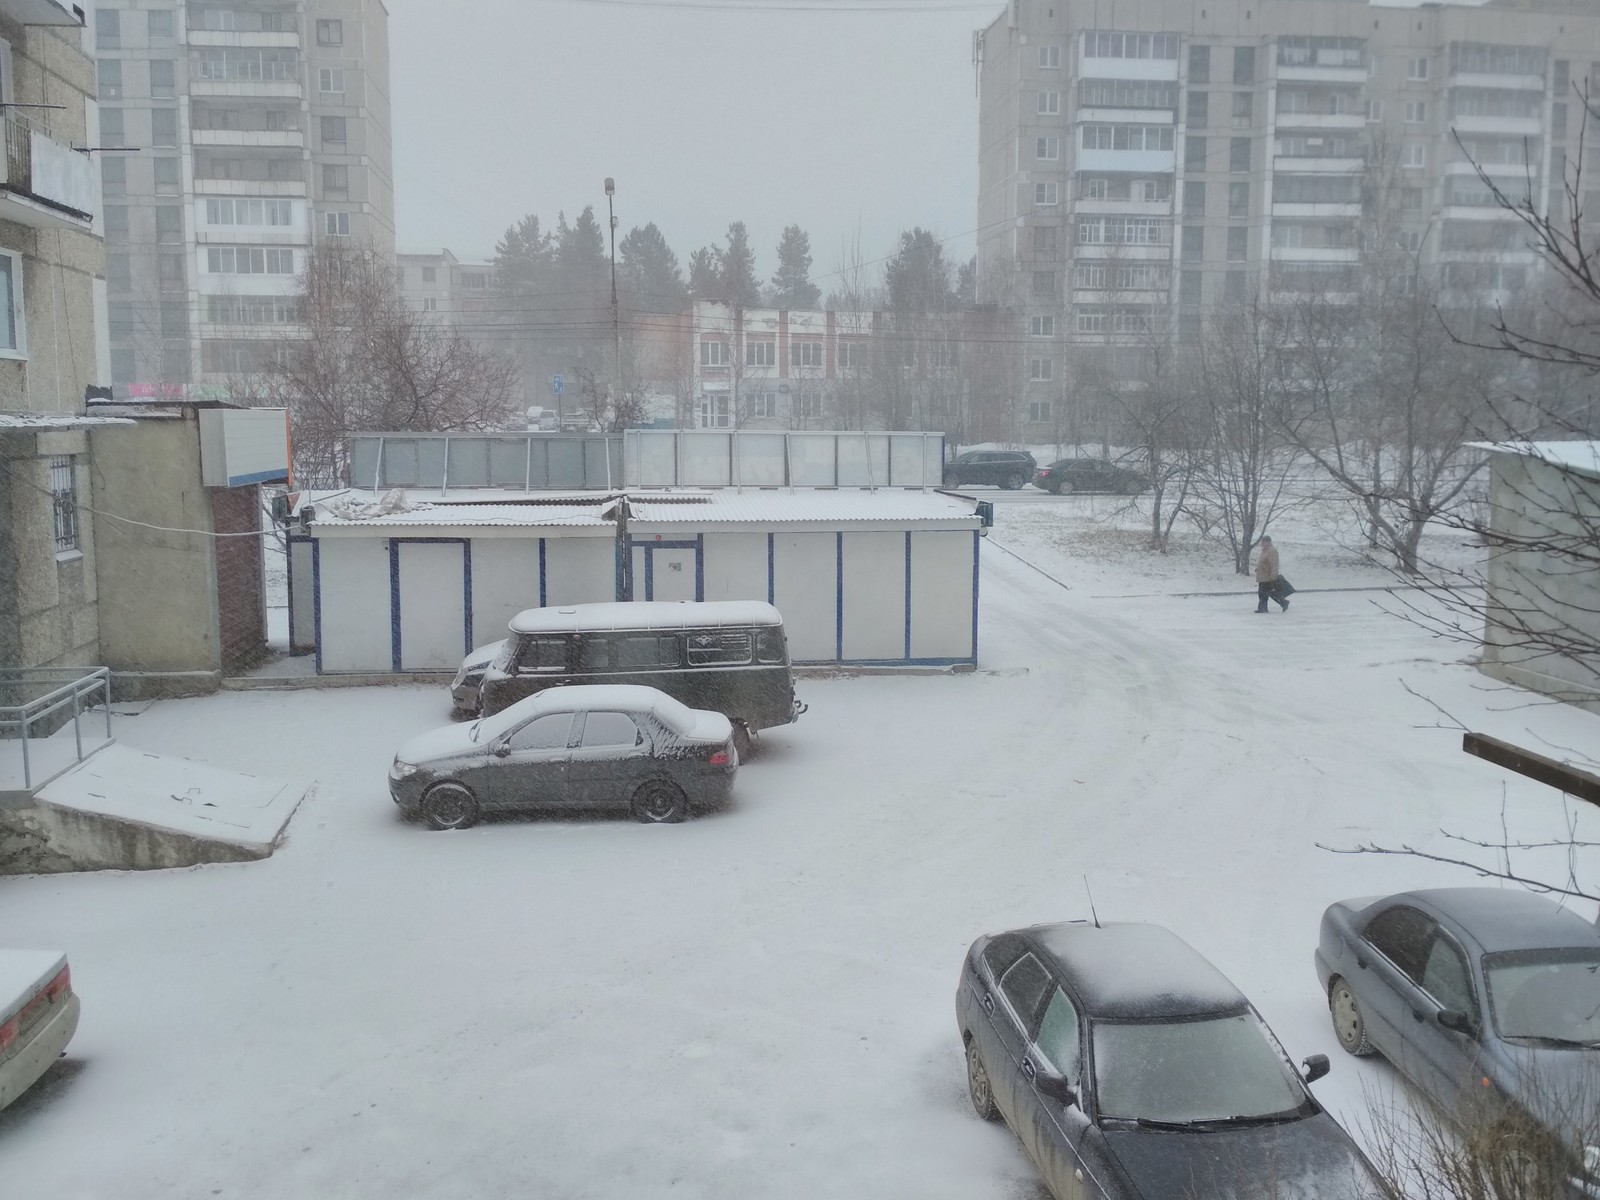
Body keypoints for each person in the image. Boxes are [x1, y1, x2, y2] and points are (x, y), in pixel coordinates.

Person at [1254, 534, 1288, 613]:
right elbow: (1263, 562)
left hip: (1268, 576)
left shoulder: (1272, 551)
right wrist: (1258, 568)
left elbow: (1274, 564)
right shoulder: (1265, 550)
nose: (1262, 544)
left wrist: (1273, 576)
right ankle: (1281, 603)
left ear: (1268, 542)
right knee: (1266, 593)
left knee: (1265, 593)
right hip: (1263, 576)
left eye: (1263, 542)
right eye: (1262, 542)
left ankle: (1263, 608)